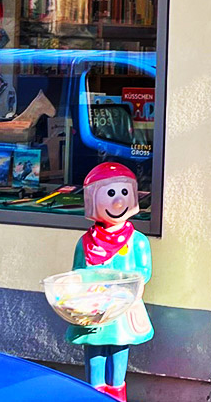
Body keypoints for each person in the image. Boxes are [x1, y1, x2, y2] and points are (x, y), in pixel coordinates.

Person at [67, 163, 152, 401]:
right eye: (110, 193)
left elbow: (143, 272)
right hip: (94, 309)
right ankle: (94, 393)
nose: (117, 202)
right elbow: (78, 272)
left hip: (122, 308)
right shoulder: (85, 242)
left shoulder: (138, 241)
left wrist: (128, 290)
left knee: (119, 348)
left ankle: (117, 393)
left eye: (124, 193)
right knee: (95, 349)